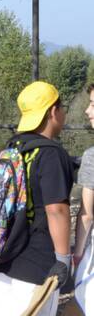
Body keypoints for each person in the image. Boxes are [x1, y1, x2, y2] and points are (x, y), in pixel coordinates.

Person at [0, 82, 73, 316]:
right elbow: (57, 210)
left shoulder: (11, 149)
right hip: (36, 265)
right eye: (62, 107)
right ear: (53, 111)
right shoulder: (51, 153)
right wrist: (64, 259)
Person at [76, 83, 94, 268]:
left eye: (93, 104)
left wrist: (78, 254)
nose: (87, 110)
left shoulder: (92, 156)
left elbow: (87, 215)